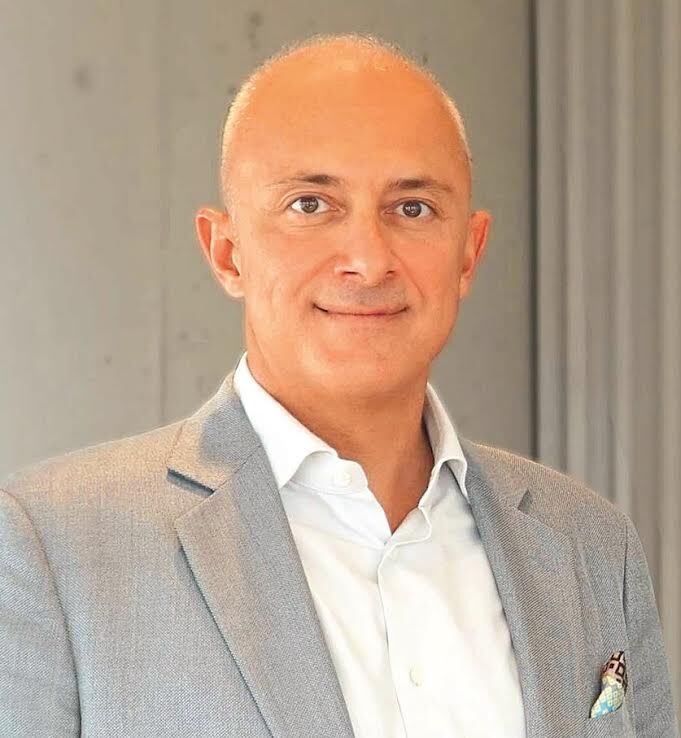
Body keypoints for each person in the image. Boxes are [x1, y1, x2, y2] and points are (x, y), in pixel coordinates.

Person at [0, 33, 677, 738]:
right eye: (309, 205)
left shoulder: (591, 544)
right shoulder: (52, 548)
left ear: (468, 254)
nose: (368, 259)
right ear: (227, 253)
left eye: (412, 208)